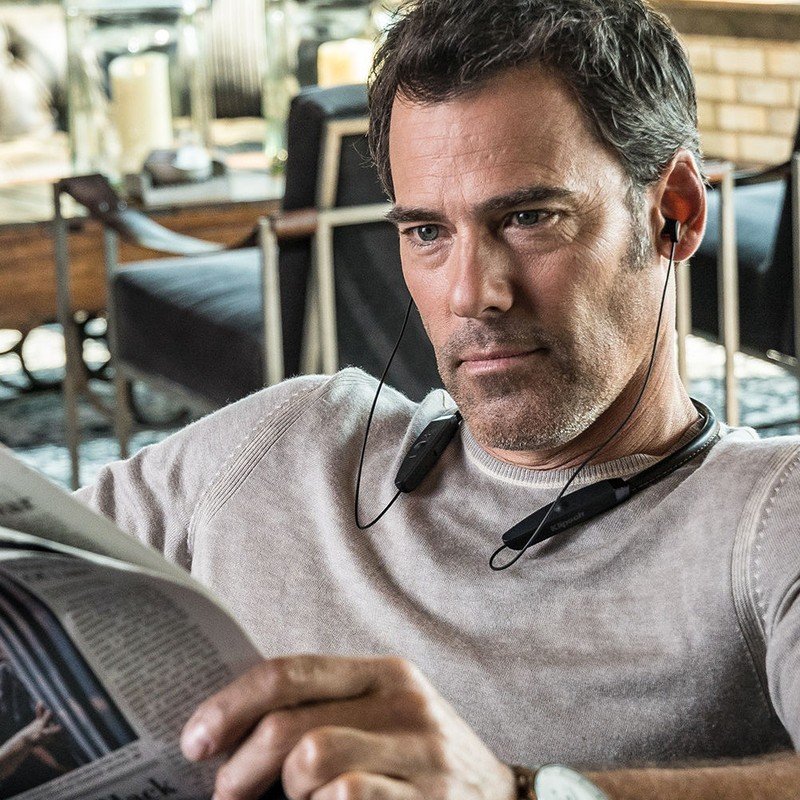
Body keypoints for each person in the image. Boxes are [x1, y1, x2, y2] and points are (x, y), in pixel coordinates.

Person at [78, 0, 800, 798]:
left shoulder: (771, 517)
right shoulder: (288, 439)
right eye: (427, 232)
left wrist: (516, 792)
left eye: (529, 218)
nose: (470, 294)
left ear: (675, 212)